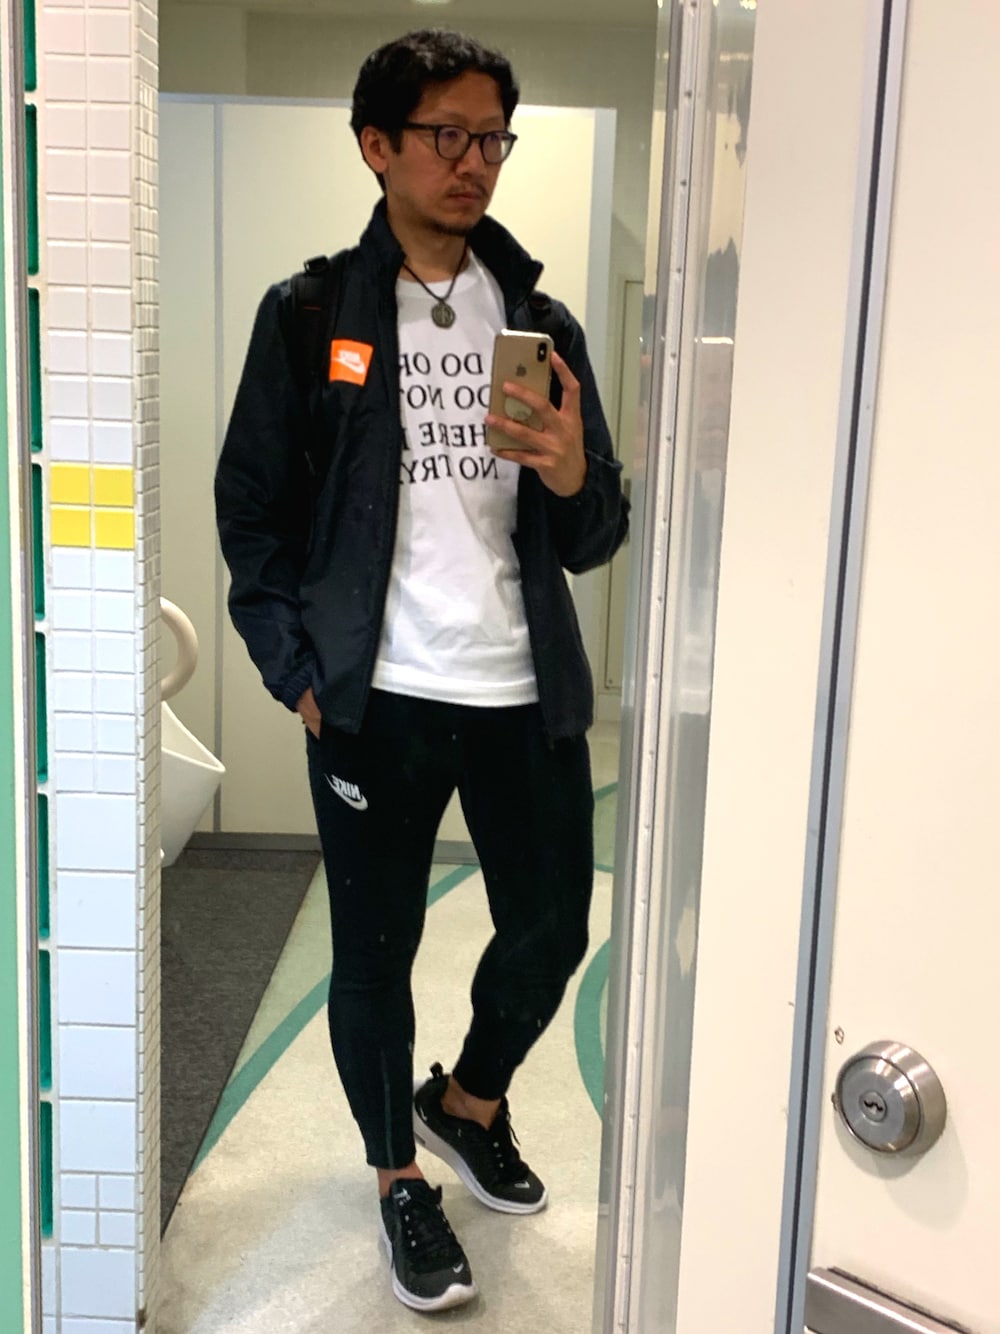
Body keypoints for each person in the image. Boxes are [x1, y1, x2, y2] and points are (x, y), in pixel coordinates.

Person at [215, 28, 628, 1314]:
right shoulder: (309, 316)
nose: (473, 161)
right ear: (377, 146)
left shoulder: (539, 321)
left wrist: (572, 469)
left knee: (552, 926)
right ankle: (399, 1176)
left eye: (492, 137)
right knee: (374, 952)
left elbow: (595, 531)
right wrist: (293, 667)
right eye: (446, 134)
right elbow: (251, 510)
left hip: (521, 692)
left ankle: (467, 1100)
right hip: (374, 700)